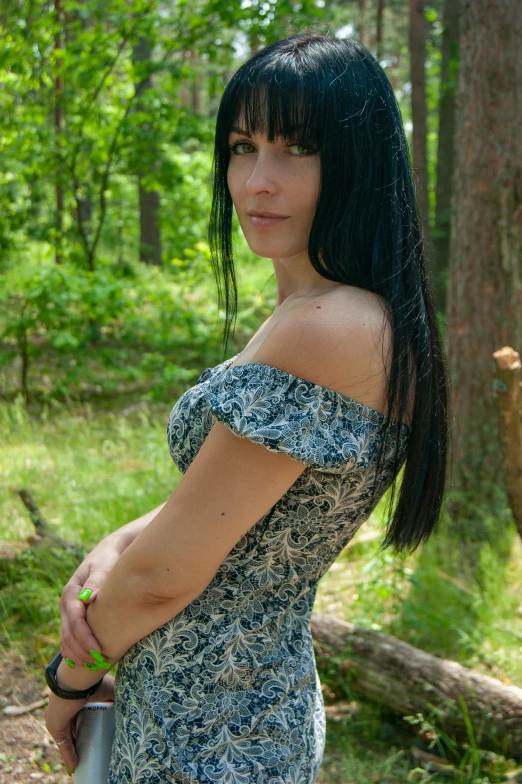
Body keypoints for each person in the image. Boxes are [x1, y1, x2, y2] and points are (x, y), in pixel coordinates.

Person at [45, 32, 450, 783]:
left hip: (211, 733)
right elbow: (245, 509)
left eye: (297, 147)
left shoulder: (328, 329)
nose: (257, 180)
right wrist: (115, 542)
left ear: (358, 161)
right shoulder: (334, 317)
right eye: (241, 145)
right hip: (232, 710)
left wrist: (70, 677)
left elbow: (166, 577)